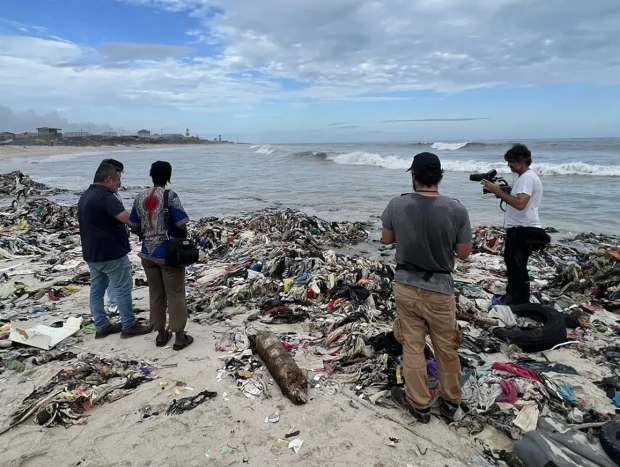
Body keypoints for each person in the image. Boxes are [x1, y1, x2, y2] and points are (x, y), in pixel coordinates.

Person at [381, 152, 472, 424]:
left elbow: (386, 239)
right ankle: (450, 401)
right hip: (440, 289)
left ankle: (419, 405)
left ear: (414, 175)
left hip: (406, 285)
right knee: (446, 348)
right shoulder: (456, 209)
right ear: (439, 176)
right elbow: (464, 253)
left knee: (412, 345)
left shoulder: (397, 205)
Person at [77, 163, 152, 339]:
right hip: (110, 252)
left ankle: (102, 326)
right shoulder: (105, 197)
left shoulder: (86, 195)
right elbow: (127, 219)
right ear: (109, 179)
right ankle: (129, 325)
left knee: (97, 289)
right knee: (122, 287)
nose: (120, 183)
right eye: (118, 179)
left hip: (92, 252)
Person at [129, 161, 193, 350]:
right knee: (175, 294)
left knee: (156, 293)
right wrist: (183, 240)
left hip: (147, 254)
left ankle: (160, 334)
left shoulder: (139, 197)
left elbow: (133, 225)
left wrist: (145, 235)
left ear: (151, 175)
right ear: (168, 177)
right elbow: (181, 222)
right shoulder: (170, 196)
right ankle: (179, 337)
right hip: (168, 254)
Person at [482, 144, 546, 305]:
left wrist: (498, 192)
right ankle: (513, 295)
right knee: (513, 262)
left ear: (522, 161)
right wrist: (503, 191)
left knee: (517, 264)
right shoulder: (525, 178)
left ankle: (520, 299)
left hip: (522, 228)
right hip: (522, 226)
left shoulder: (527, 178)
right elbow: (518, 200)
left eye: (511, 161)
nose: (509, 165)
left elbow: (520, 204)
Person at [100, 158, 125, 314]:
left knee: (102, 281)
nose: (120, 179)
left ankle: (112, 303)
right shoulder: (106, 195)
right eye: (119, 175)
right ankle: (116, 305)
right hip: (110, 245)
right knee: (117, 279)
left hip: (102, 244)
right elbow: (124, 218)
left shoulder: (101, 193)